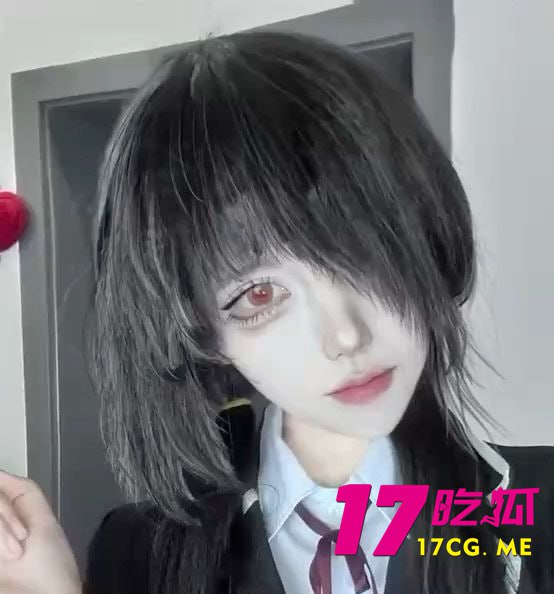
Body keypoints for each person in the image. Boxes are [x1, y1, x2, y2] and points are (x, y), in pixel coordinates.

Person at [0, 30, 553, 594]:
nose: (345, 335)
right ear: (203, 332)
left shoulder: (538, 512)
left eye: (365, 252)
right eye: (260, 295)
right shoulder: (140, 553)